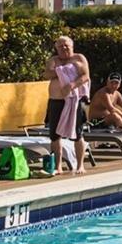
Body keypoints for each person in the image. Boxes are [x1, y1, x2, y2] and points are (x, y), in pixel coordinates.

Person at [45, 35, 90, 174]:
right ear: (56, 48)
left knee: (78, 134)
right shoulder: (53, 60)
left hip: (75, 100)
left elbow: (85, 76)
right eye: (60, 46)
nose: (64, 48)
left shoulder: (79, 58)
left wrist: (71, 85)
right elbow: (47, 74)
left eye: (66, 45)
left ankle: (80, 165)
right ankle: (58, 166)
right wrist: (64, 70)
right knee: (55, 135)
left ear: (72, 47)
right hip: (56, 100)